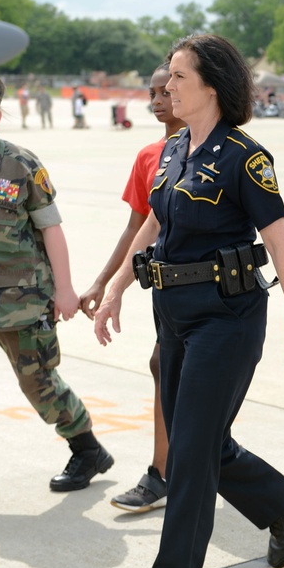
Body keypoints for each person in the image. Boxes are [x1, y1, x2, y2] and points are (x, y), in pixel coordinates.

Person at [93, 34, 284, 568]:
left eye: (177, 76)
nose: (166, 85)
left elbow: (281, 246)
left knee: (189, 463)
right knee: (201, 443)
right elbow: (152, 221)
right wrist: (117, 288)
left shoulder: (245, 158)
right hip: (171, 314)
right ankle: (283, 501)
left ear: (211, 86)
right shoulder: (175, 148)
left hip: (227, 318)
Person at [0, 71, 114, 493]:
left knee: (40, 384)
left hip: (21, 302)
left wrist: (65, 290)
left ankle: (87, 449)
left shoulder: (21, 164)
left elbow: (51, 229)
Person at [79, 63, 184, 513]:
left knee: (169, 368)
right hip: (165, 287)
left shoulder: (221, 150)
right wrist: (103, 282)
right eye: (153, 92)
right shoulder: (148, 156)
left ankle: (170, 470)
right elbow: (135, 228)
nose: (158, 100)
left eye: (167, 90)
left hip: (211, 288)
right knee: (166, 367)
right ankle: (170, 471)